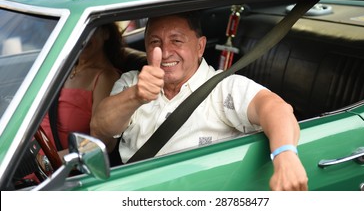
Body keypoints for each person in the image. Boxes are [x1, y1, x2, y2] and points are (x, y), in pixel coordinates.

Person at [91, 12, 308, 191]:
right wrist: (136, 95)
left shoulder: (223, 88)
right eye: (155, 42)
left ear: (200, 47)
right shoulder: (132, 82)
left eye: (176, 41)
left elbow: (275, 108)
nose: (166, 52)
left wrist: (285, 155)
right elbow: (100, 128)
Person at [40, 23, 124, 159]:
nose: (81, 37)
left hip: (52, 170)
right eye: (77, 30)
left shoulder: (105, 78)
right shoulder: (65, 67)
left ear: (106, 34)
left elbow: (102, 143)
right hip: (27, 155)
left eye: (90, 30)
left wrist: (52, 161)